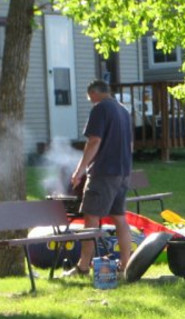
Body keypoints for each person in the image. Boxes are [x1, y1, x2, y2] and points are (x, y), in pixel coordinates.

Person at [64, 79, 133, 277]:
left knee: (91, 217)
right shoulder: (123, 111)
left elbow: (94, 141)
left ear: (94, 93)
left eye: (90, 98)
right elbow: (130, 146)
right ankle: (124, 266)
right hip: (123, 172)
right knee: (119, 218)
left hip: (104, 172)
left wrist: (79, 171)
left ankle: (83, 267)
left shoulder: (100, 109)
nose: (91, 102)